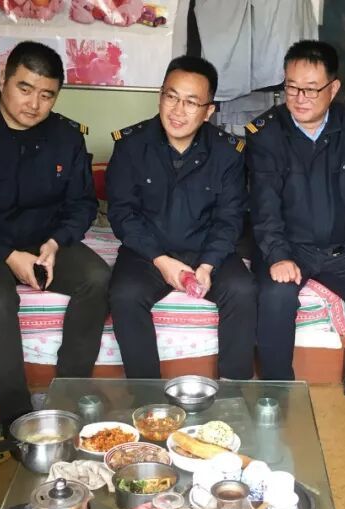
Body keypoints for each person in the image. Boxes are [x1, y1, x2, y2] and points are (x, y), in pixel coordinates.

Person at [0, 41, 110, 432]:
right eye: (24, 89)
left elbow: (82, 204)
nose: (34, 104)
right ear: (3, 80)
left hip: (41, 239)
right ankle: (18, 420)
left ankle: (69, 393)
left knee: (97, 278)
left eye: (47, 95)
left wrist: (55, 243)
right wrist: (8, 255)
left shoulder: (66, 136)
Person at [247, 40, 345, 417]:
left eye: (311, 89)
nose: (299, 98)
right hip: (290, 246)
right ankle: (277, 386)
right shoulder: (266, 133)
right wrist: (278, 255)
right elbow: (264, 207)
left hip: (343, 248)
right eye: (292, 87)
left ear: (333, 88)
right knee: (277, 295)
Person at [106, 56, 256, 379]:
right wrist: (161, 260)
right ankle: (145, 395)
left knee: (243, 290)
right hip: (148, 251)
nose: (177, 110)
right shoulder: (131, 146)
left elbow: (229, 219)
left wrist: (207, 265)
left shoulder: (228, 153)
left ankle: (234, 390)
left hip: (206, 250)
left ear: (208, 111)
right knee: (124, 295)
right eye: (171, 97)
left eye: (191, 102)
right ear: (160, 96)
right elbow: (122, 213)